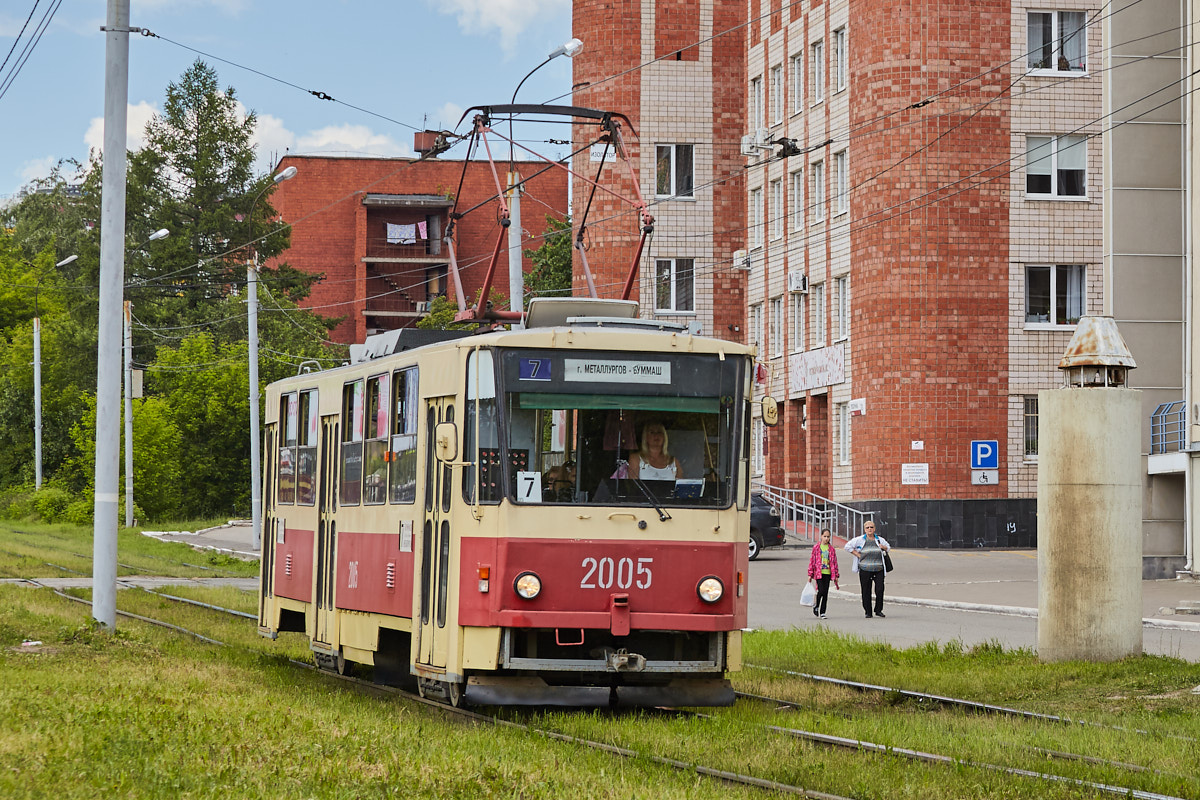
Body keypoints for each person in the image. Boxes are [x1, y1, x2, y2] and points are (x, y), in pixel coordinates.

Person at [845, 521, 891, 618]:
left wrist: (884, 547)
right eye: (867, 527)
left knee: (880, 589)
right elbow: (847, 546)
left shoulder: (879, 540)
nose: (869, 529)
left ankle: (878, 610)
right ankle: (868, 611)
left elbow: (888, 547)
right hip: (865, 568)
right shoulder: (859, 540)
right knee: (866, 590)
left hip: (878, 568)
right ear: (864, 529)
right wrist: (857, 554)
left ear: (874, 529)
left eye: (871, 527)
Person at [806, 528, 840, 619]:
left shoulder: (831, 549)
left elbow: (834, 562)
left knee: (825, 593)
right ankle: (816, 605)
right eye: (824, 536)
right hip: (819, 573)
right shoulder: (816, 548)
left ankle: (823, 612)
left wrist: (836, 575)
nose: (826, 538)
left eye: (828, 537)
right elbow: (812, 561)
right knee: (821, 591)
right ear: (821, 536)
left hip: (828, 573)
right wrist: (810, 574)